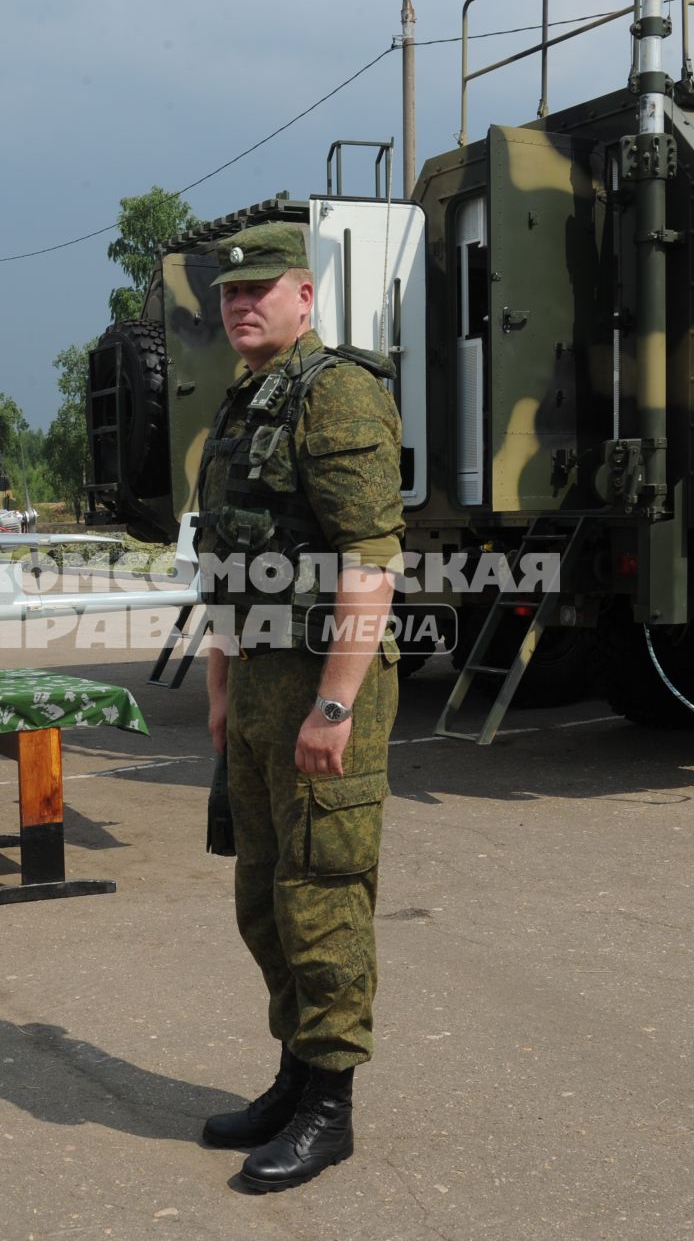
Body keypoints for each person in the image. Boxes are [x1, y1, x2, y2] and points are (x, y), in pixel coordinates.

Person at [194, 223, 404, 1192]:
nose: (241, 303)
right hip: (259, 684)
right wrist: (221, 685)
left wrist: (336, 702)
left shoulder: (338, 392)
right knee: (265, 895)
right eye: (229, 291)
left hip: (323, 677)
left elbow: (370, 558)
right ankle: (292, 1074)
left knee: (322, 893)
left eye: (260, 288)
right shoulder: (243, 405)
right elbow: (226, 568)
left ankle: (331, 1105)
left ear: (304, 296)